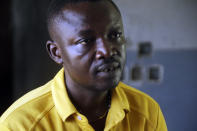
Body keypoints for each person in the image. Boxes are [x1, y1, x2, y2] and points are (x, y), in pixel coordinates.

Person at [0, 0, 167, 130]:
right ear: (56, 53)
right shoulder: (19, 124)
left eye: (115, 34)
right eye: (86, 40)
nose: (107, 51)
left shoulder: (147, 112)